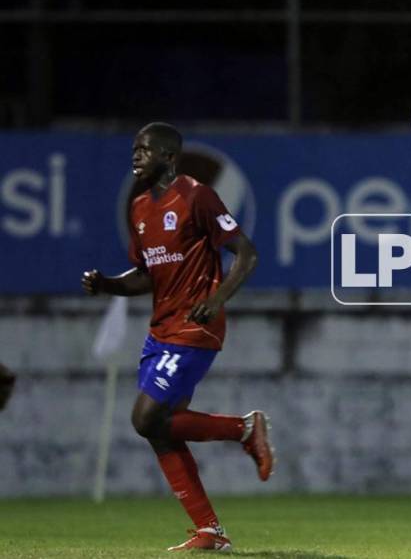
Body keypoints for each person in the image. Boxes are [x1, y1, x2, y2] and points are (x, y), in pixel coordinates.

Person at [81, 122, 272, 552]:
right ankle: (210, 531)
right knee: (161, 430)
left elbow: (247, 252)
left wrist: (219, 297)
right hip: (161, 330)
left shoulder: (195, 194)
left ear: (168, 157)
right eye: (134, 149)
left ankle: (243, 429)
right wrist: (109, 284)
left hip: (196, 324)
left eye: (145, 150)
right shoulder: (139, 209)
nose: (136, 156)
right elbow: (148, 274)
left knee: (145, 417)